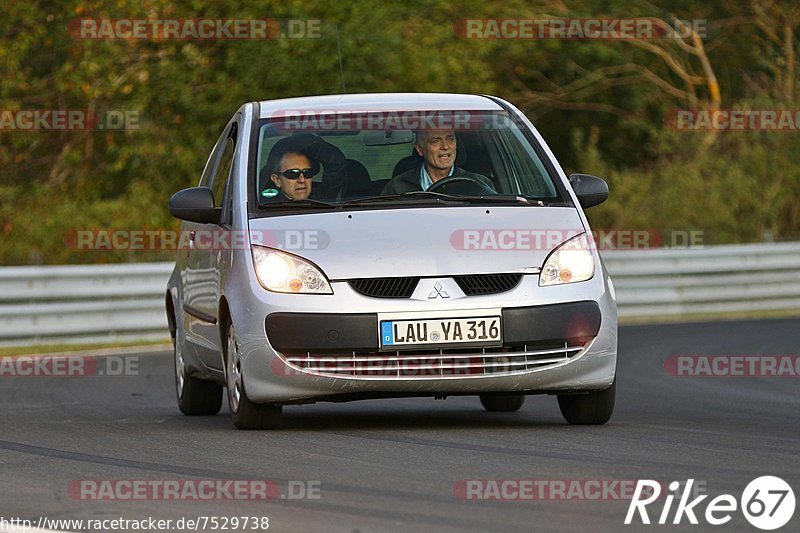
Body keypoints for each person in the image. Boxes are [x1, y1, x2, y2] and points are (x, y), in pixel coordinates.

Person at [381, 129, 494, 195]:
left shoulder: (480, 185)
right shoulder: (397, 187)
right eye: (435, 141)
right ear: (420, 149)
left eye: (450, 139)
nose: (445, 146)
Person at [261, 133, 346, 202]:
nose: (302, 180)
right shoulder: (264, 207)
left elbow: (335, 162)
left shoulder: (324, 197)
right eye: (293, 173)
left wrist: (307, 141)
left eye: (307, 172)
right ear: (277, 180)